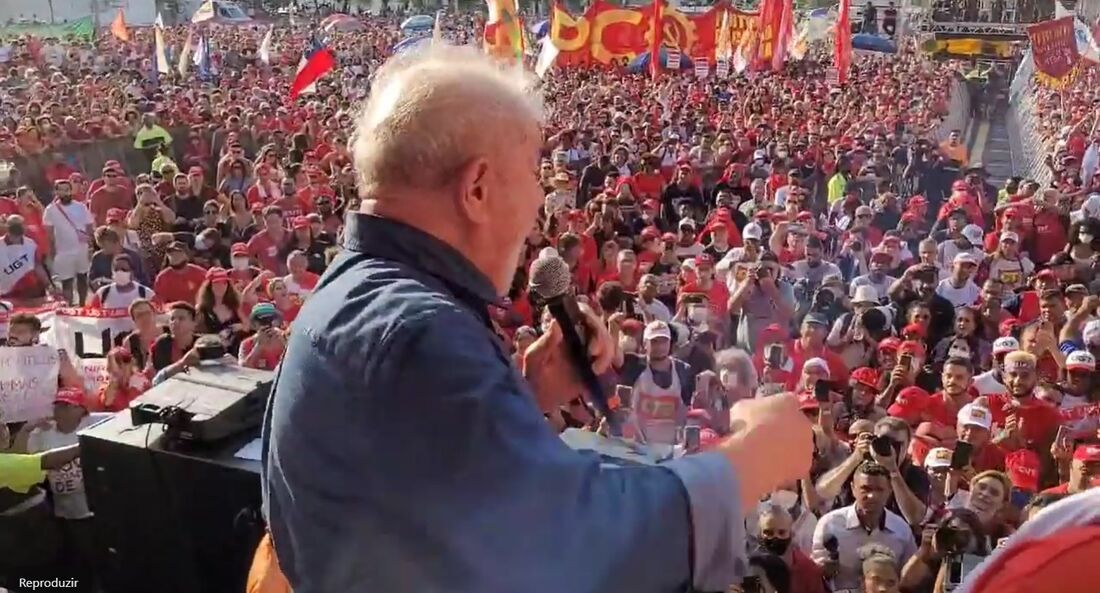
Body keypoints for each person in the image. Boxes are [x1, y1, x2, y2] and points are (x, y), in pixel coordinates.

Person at [262, 46, 813, 593]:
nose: (540, 198)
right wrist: (750, 460)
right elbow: (572, 546)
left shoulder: (356, 288)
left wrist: (520, 397)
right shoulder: (417, 333)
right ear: (476, 189)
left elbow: (415, 492)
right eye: (533, 172)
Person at [812, 462, 917, 591]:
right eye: (865, 489)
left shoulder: (901, 530)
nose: (872, 496)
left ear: (890, 491)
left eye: (879, 490)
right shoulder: (830, 524)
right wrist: (825, 568)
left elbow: (908, 578)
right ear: (853, 488)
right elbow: (814, 572)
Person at [43, 179, 95, 304]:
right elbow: (49, 232)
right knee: (67, 281)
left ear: (71, 190)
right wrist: (52, 251)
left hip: (81, 249)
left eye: (66, 190)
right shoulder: (50, 210)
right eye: (60, 190)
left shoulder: (80, 207)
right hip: (63, 252)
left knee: (82, 277)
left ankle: (82, 305)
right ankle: (69, 306)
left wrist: (89, 244)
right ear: (56, 192)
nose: (64, 193)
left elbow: (89, 225)